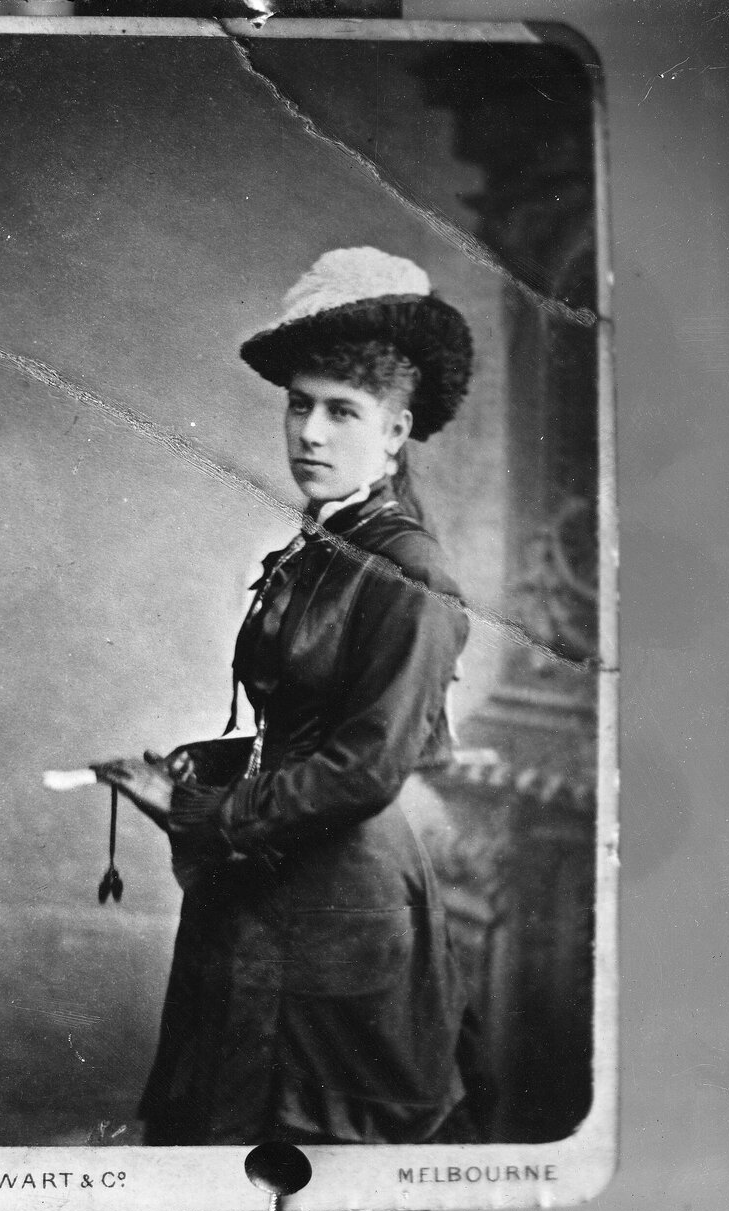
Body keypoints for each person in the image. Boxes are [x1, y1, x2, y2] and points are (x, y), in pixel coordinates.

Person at [95, 247, 479, 1146]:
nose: (309, 433)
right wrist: (209, 763)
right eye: (299, 405)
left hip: (344, 900)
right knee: (217, 1131)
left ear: (394, 431)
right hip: (267, 880)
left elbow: (369, 765)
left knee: (305, 1156)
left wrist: (197, 808)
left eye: (342, 412)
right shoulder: (321, 547)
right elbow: (311, 721)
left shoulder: (409, 571)